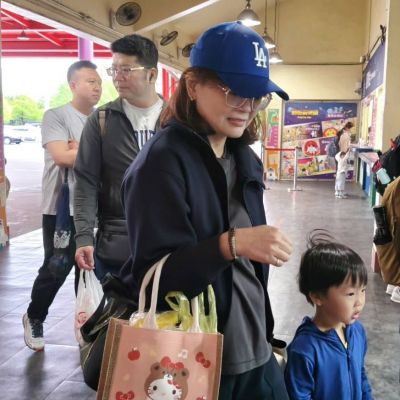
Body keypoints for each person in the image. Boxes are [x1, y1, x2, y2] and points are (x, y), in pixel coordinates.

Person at [121, 21, 293, 399]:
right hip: (196, 361)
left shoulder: (243, 157)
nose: (247, 107)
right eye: (234, 91)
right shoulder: (161, 164)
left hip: (254, 347)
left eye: (257, 96)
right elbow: (153, 279)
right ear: (193, 85)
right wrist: (232, 244)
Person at [23, 61, 102, 351]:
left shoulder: (103, 120)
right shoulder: (56, 116)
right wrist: (88, 151)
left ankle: (87, 325)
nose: (97, 87)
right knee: (58, 265)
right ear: (73, 85)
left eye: (99, 82)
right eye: (90, 81)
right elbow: (62, 157)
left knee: (90, 269)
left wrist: (79, 148)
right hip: (61, 208)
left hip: (94, 206)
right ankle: (35, 316)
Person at [74, 34, 165, 282]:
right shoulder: (102, 120)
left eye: (126, 70)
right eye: (114, 70)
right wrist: (84, 237)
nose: (117, 77)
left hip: (168, 242)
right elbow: (85, 182)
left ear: (151, 75)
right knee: (115, 306)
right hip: (116, 243)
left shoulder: (176, 120)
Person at [285, 230, 373, 400]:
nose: (360, 302)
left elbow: (361, 375)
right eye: (350, 294)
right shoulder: (304, 349)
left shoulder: (357, 332)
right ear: (317, 297)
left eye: (363, 290)